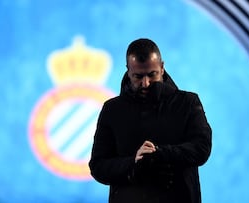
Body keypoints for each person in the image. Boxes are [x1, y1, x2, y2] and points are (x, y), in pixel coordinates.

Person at [89, 38, 212, 203]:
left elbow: (202, 148)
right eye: (138, 76)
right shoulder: (112, 109)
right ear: (128, 70)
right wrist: (134, 163)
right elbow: (98, 166)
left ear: (162, 67)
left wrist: (159, 153)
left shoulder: (188, 102)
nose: (145, 83)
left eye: (151, 75)